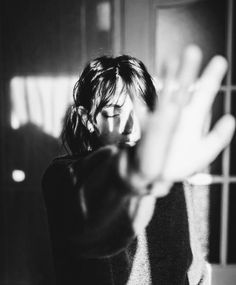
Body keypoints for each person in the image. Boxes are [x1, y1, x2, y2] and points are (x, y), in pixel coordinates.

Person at [42, 46, 235, 284]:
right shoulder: (64, 177)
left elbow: (191, 263)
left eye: (140, 110)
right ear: (88, 119)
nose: (130, 126)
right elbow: (92, 215)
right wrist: (134, 173)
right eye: (114, 113)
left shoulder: (169, 171)